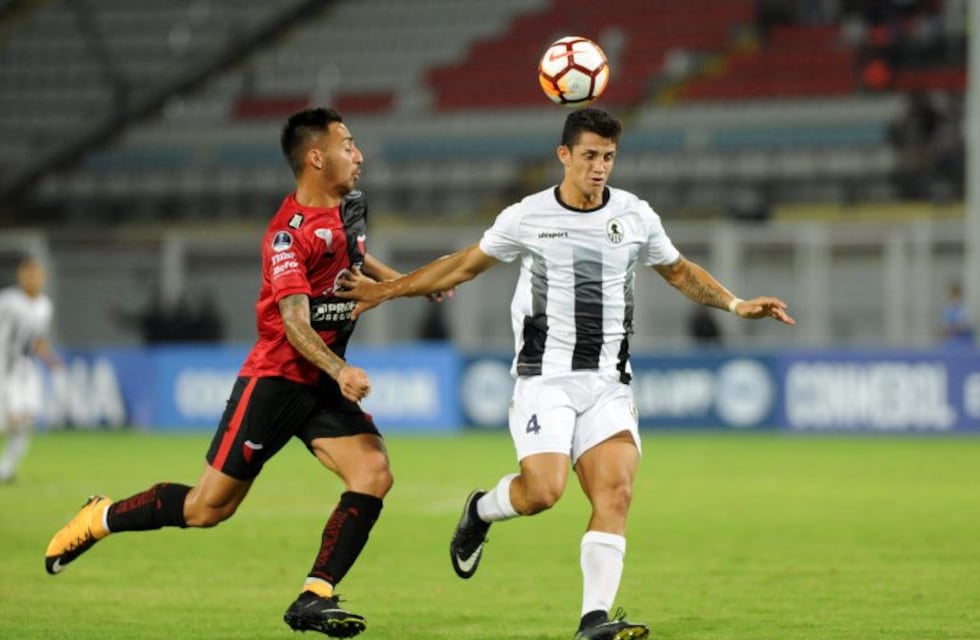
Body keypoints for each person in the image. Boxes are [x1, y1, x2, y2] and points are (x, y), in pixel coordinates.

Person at [337, 108, 795, 640]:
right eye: (589, 156)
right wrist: (385, 290)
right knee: (544, 492)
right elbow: (462, 265)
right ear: (564, 156)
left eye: (608, 157)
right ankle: (481, 511)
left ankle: (593, 619)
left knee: (616, 493)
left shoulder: (634, 215)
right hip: (545, 379)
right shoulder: (527, 216)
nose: (599, 167)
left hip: (608, 384)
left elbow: (679, 271)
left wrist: (737, 305)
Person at [45, 107, 407, 638]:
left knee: (373, 474)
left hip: (322, 386)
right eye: (348, 144)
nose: (359, 155)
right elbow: (292, 322)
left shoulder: (351, 206)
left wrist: (401, 280)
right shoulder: (286, 236)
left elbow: (355, 256)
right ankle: (101, 517)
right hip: (278, 379)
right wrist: (340, 367)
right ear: (315, 157)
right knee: (206, 509)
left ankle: (314, 594)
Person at [0, 256, 60, 483]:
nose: (32, 279)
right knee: (9, 421)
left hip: (26, 369)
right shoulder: (8, 300)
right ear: (20, 276)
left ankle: (5, 471)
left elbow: (37, 340)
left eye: (36, 274)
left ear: (42, 278)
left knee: (26, 421)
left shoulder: (45, 306)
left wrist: (49, 358)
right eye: (27, 274)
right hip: (4, 368)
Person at [940, 281, 974, 348]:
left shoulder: (964, 308)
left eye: (957, 295)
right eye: (953, 295)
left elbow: (965, 324)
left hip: (963, 339)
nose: (955, 298)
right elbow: (945, 325)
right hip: (951, 339)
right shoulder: (948, 309)